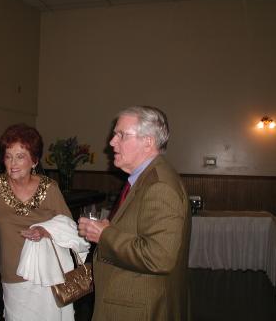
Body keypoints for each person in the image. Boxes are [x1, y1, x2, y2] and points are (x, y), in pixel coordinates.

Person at [78, 105, 191, 321]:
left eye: (121, 134)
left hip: (139, 307)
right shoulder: (144, 178)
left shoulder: (160, 186)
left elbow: (159, 257)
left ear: (148, 141)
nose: (112, 142)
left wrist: (105, 235)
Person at [0, 123, 88, 321]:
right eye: (8, 156)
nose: (12, 163)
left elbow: (71, 228)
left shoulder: (49, 188)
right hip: (14, 275)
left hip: (48, 274)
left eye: (20, 156)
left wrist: (46, 230)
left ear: (34, 161)